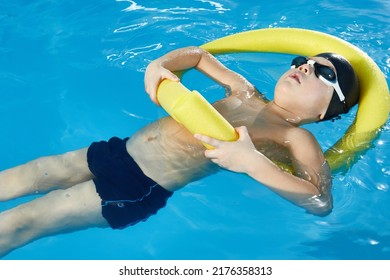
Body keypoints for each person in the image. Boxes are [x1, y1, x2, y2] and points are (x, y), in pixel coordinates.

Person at [0, 46, 359, 257]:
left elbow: (319, 201)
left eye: (323, 73)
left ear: (326, 113)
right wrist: (161, 67)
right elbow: (199, 57)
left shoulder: (296, 140)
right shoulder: (244, 91)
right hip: (117, 151)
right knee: (23, 176)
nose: (305, 66)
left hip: (135, 188)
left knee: (23, 221)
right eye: (301, 61)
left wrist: (253, 162)